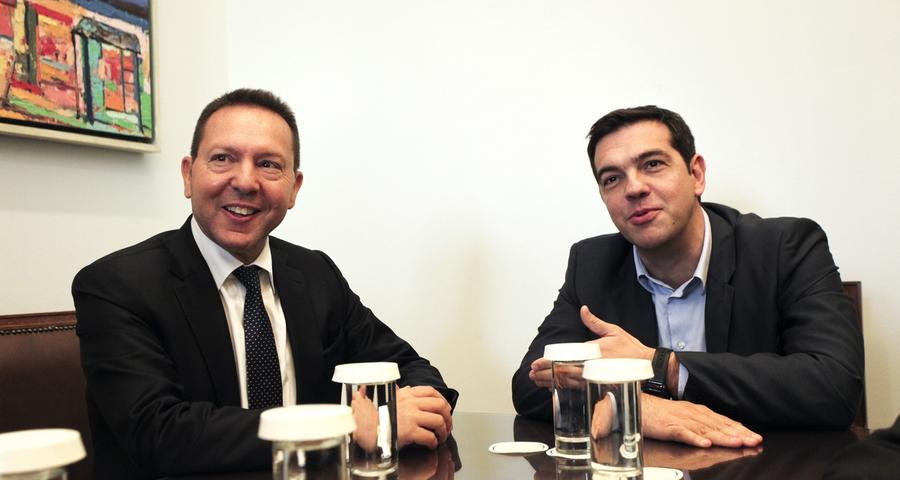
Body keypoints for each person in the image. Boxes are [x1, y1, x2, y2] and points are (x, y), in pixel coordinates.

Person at [73, 89, 457, 479]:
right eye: (223, 158)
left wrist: (396, 417)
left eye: (268, 164)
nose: (245, 181)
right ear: (188, 175)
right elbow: (159, 433)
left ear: (294, 188)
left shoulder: (316, 274)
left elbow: (410, 368)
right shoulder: (117, 286)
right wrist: (346, 426)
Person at [511, 105, 863, 448]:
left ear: (696, 175)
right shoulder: (592, 265)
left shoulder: (785, 248)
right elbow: (530, 388)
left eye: (652, 164)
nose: (634, 188)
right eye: (612, 179)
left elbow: (834, 386)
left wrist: (660, 366)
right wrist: (632, 406)